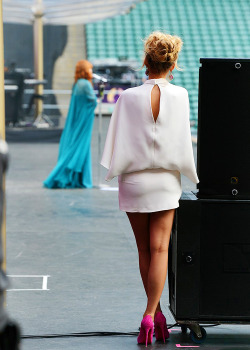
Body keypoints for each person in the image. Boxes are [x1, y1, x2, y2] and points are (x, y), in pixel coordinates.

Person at [101, 32, 199, 346]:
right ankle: (150, 314)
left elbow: (115, 143)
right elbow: (183, 140)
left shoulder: (127, 97)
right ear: (173, 65)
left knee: (144, 250)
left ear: (146, 62)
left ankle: (154, 313)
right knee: (160, 250)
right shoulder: (181, 95)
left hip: (134, 181)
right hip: (165, 181)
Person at [44, 60, 97, 189]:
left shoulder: (77, 84)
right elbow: (93, 101)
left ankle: (74, 177)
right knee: (80, 147)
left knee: (77, 146)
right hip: (84, 122)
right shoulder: (85, 84)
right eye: (89, 69)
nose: (91, 71)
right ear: (85, 70)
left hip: (78, 121)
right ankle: (68, 175)